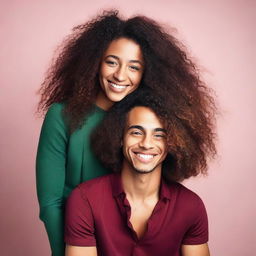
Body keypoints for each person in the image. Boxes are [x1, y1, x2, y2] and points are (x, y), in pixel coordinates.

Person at [36, 10, 216, 256]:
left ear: (147, 72)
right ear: (94, 62)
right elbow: (50, 204)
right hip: (76, 240)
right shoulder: (62, 116)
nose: (120, 75)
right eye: (111, 62)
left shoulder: (151, 123)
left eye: (134, 66)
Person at [65, 90, 216, 256]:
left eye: (159, 135)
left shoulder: (190, 206)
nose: (146, 144)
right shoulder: (85, 200)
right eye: (137, 132)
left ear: (173, 143)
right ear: (120, 137)